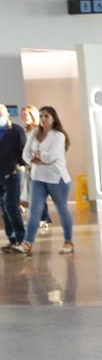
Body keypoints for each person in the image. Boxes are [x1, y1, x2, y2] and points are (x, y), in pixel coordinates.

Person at [18, 106, 74, 256]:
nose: (43, 119)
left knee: (62, 210)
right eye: (41, 116)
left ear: (53, 118)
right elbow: (25, 154)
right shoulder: (35, 133)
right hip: (37, 178)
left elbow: (52, 157)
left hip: (57, 179)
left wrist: (38, 156)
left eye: (46, 116)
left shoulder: (59, 136)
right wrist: (39, 158)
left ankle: (68, 241)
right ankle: (27, 243)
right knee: (34, 212)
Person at [0, 106, 28, 252]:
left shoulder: (16, 130)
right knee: (4, 208)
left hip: (13, 173)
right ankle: (12, 239)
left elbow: (23, 150)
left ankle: (21, 239)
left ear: (7, 114)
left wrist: (17, 166)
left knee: (11, 205)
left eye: (0, 113)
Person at [19, 105, 51, 230]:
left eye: (25, 115)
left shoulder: (39, 131)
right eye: (22, 115)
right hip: (28, 166)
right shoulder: (25, 131)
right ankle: (42, 218)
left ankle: (44, 218)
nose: (23, 117)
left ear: (33, 116)